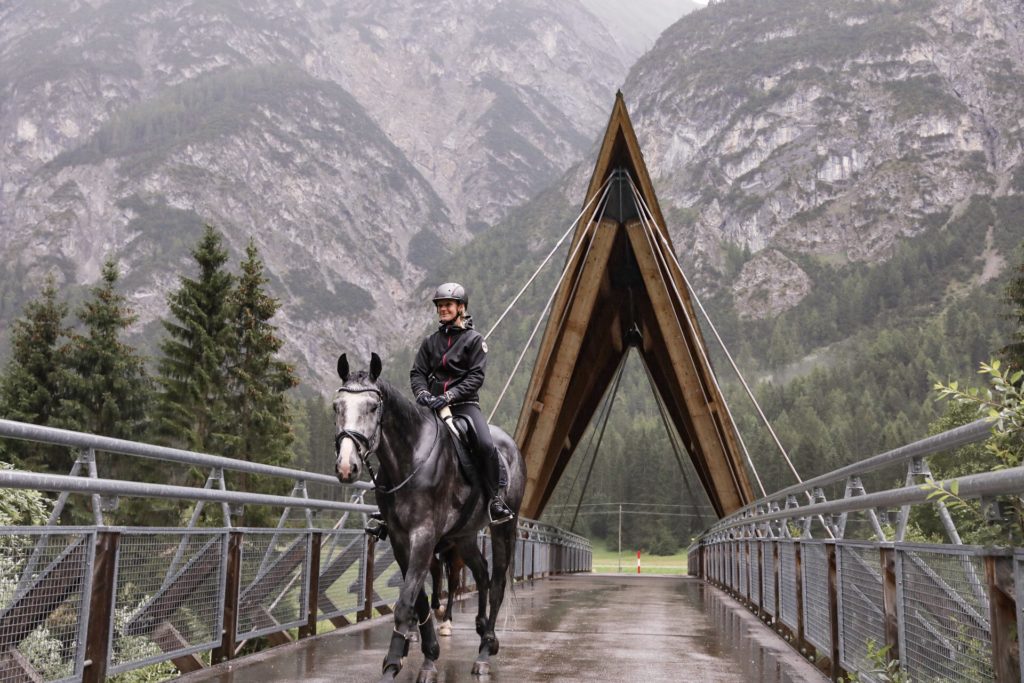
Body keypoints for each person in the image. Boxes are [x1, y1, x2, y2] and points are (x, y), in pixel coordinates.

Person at [410, 282, 514, 524]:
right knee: (404, 440)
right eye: (440, 305)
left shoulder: (474, 340)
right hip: (431, 406)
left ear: (461, 307)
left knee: (486, 445)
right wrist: (422, 393)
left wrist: (449, 396)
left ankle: (494, 500)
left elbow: (476, 377)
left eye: (447, 305)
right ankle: (388, 507)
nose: (443, 309)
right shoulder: (430, 342)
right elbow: (417, 373)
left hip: (464, 406)